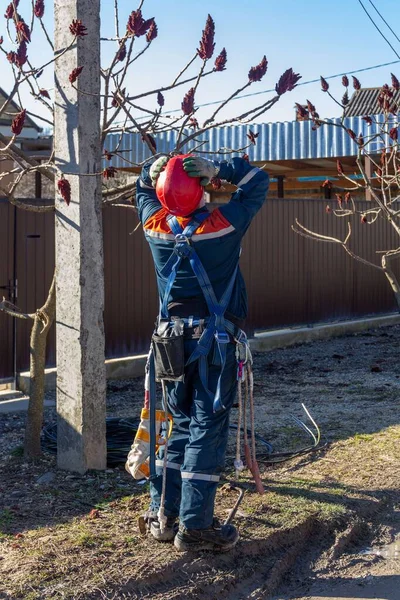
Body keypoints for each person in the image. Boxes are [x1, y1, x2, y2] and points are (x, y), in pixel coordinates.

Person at [134, 154, 269, 552]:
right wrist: (218, 168)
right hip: (213, 345)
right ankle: (195, 527)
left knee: (177, 427)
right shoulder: (222, 227)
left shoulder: (153, 225)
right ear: (203, 188)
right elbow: (257, 182)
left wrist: (153, 170)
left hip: (170, 344)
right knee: (206, 429)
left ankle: (164, 516)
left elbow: (144, 188)